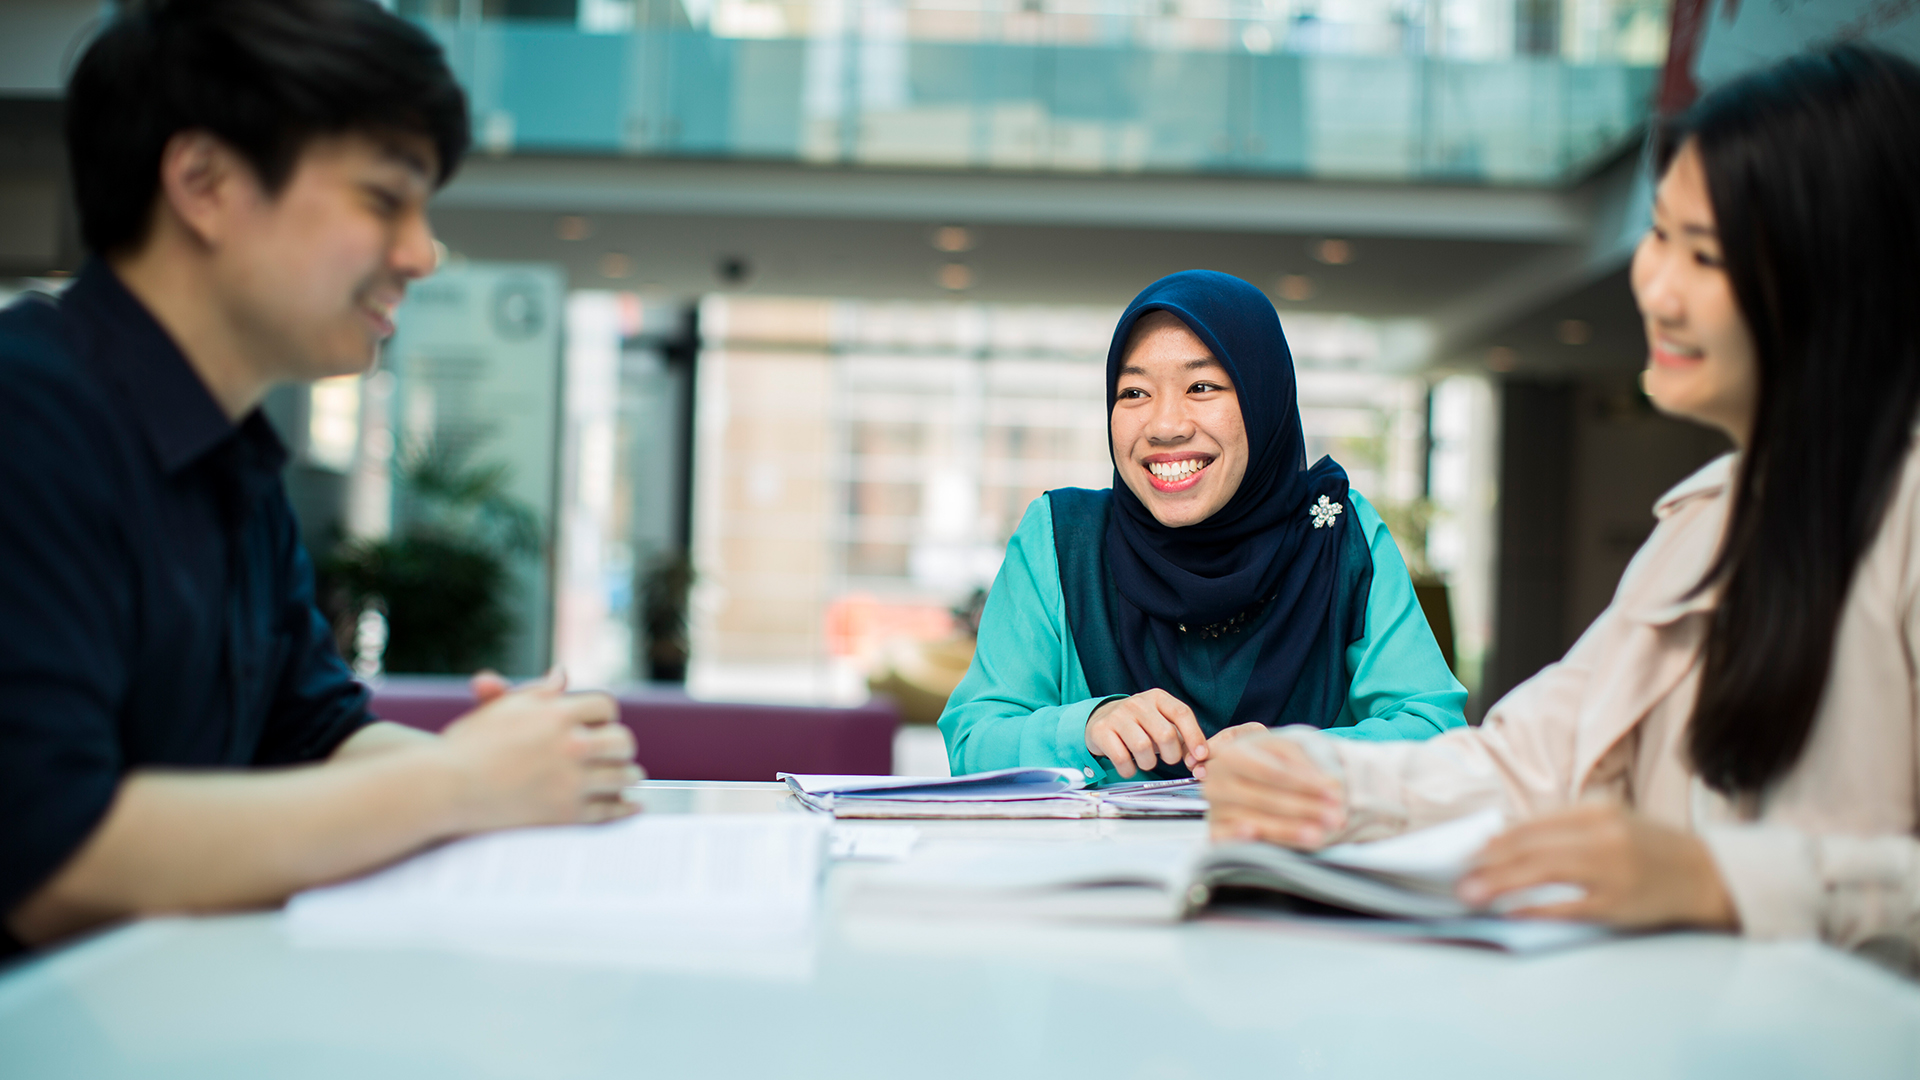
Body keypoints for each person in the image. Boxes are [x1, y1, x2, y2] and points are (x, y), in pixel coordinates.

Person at [1202, 44, 1920, 960]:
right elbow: (1533, 760)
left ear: (1843, 275)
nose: (1656, 287)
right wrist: (1320, 775)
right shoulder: (1707, 525)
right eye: (1660, 236)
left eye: (1706, 255)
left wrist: (1719, 880)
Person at [0, 0, 640, 958]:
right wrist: (458, 784)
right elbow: (52, 854)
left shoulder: (233, 458)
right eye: (384, 201)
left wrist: (526, 769)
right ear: (205, 183)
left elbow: (315, 731)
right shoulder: (27, 414)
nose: (422, 254)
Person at [940, 270, 1466, 783]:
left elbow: (1439, 737)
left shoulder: (1337, 535)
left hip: (1292, 844)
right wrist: (1087, 727)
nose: (1165, 426)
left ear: (1264, 400)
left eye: (1202, 386)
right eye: (1134, 393)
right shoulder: (1062, 539)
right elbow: (973, 741)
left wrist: (1309, 757)